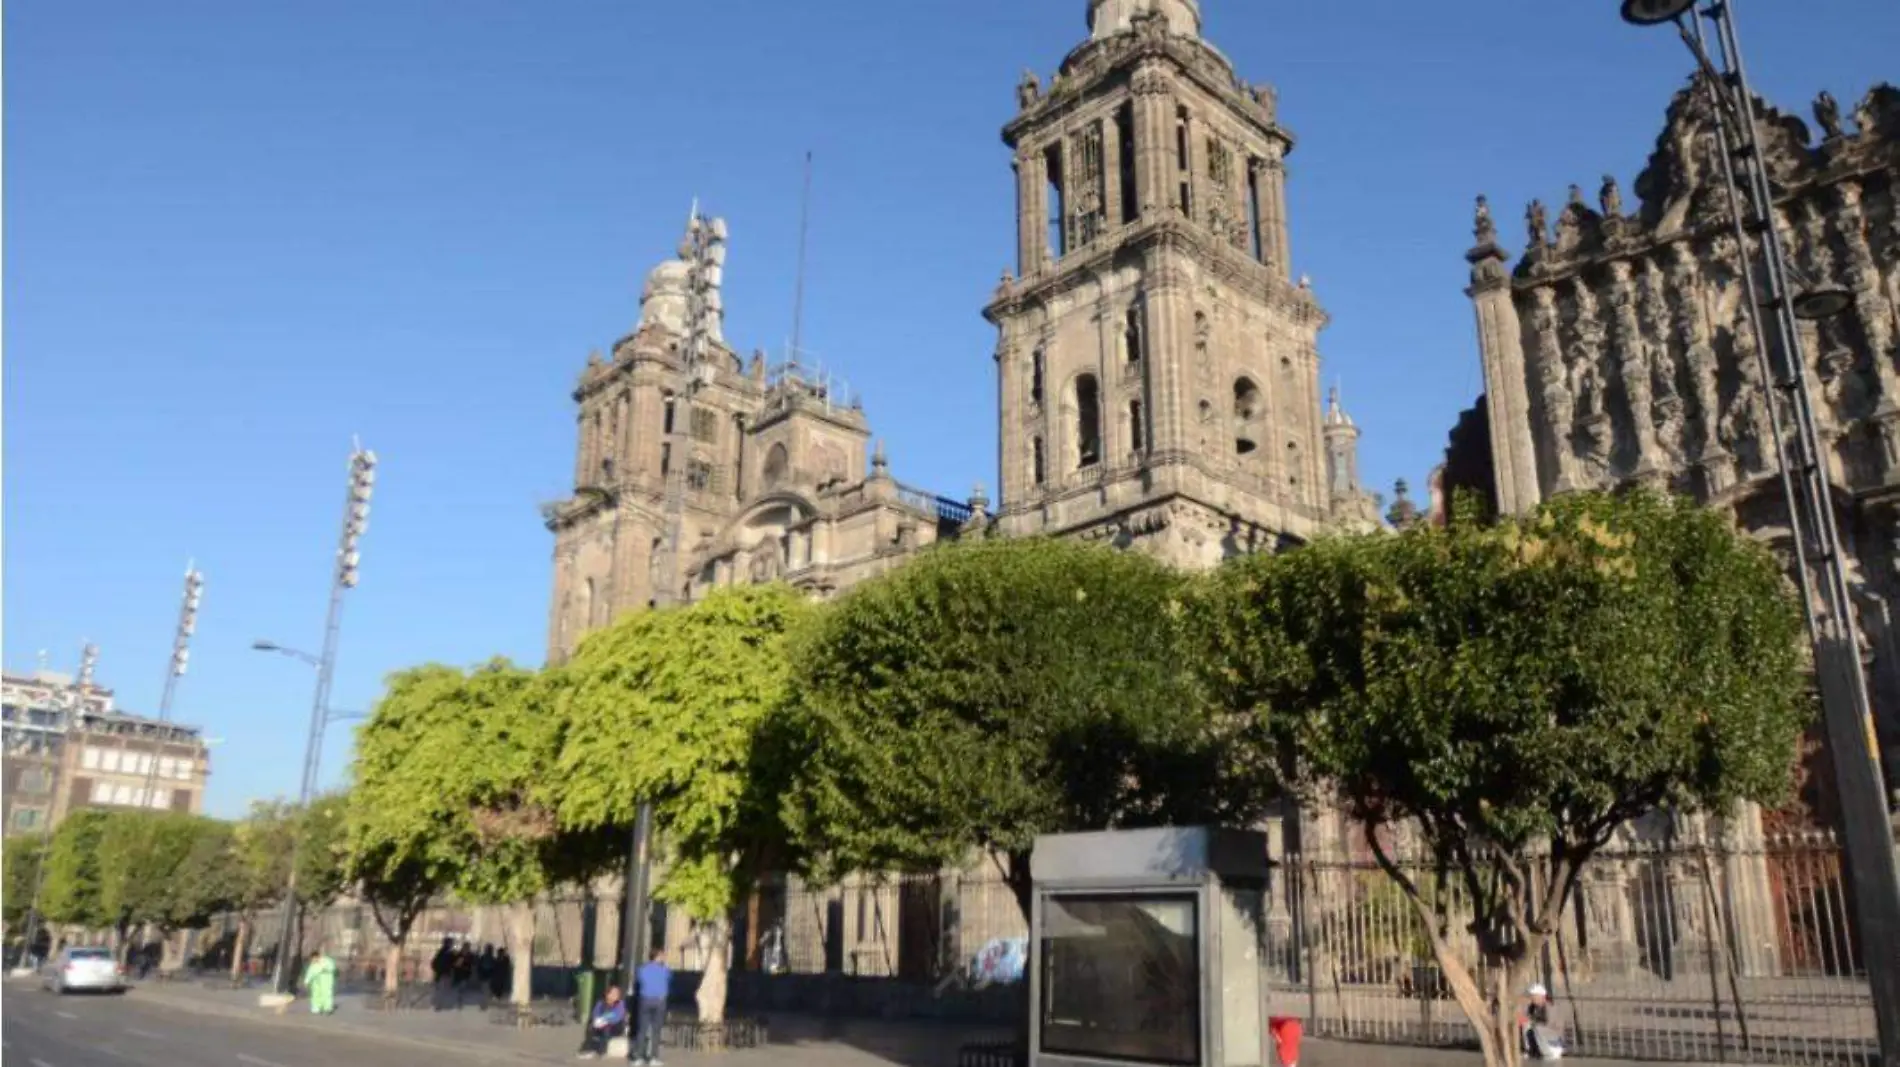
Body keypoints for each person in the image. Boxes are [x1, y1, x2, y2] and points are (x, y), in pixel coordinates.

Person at [630, 948, 670, 1066]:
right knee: (656, 1031)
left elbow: (639, 980)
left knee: (642, 1029)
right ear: (657, 956)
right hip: (659, 1001)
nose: (664, 958)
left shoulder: (642, 969)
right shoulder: (665, 970)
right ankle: (653, 1058)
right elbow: (669, 980)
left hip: (645, 1000)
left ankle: (638, 1057)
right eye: (662, 956)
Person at [576, 984, 628, 1059]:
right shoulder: (600, 1003)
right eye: (612, 993)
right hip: (601, 1024)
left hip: (616, 1027)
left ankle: (602, 1051)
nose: (614, 995)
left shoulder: (620, 1004)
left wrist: (604, 1019)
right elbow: (595, 1014)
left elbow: (616, 1017)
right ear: (607, 994)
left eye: (616, 994)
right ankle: (587, 1048)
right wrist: (598, 1021)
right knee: (591, 1025)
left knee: (606, 1027)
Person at [1522, 982, 1566, 1061]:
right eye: (1532, 996)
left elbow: (1550, 1023)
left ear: (1541, 996)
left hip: (1554, 1035)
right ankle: (1530, 1050)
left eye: (1534, 996)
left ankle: (1550, 1051)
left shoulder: (1550, 1007)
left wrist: (1535, 1023)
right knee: (1526, 1026)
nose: (1532, 998)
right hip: (1541, 1032)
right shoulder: (1532, 1007)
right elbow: (1526, 1017)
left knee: (1537, 1028)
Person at [303, 946, 338, 1016]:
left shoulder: (327, 961)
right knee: (316, 995)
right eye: (312, 959)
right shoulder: (313, 965)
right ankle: (316, 1008)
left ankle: (327, 1008)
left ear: (317, 956)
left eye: (314, 959)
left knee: (326, 994)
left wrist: (325, 968)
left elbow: (332, 967)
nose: (313, 960)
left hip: (326, 981)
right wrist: (306, 981)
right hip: (316, 982)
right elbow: (310, 973)